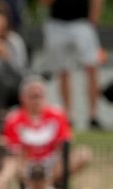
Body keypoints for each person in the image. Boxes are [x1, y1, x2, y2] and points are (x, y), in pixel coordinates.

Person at [3, 76, 91, 182]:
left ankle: (47, 184)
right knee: (9, 162)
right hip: (26, 165)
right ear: (22, 98)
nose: (36, 100)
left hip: (52, 164)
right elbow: (14, 150)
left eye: (40, 96)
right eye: (33, 96)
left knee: (83, 154)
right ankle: (33, 187)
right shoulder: (13, 118)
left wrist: (55, 163)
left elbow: (65, 144)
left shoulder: (57, 114)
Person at [41, 0, 103, 129]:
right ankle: (68, 116)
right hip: (57, 24)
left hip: (82, 22)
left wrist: (93, 21)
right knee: (63, 70)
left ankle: (93, 115)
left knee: (92, 67)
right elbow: (44, 2)